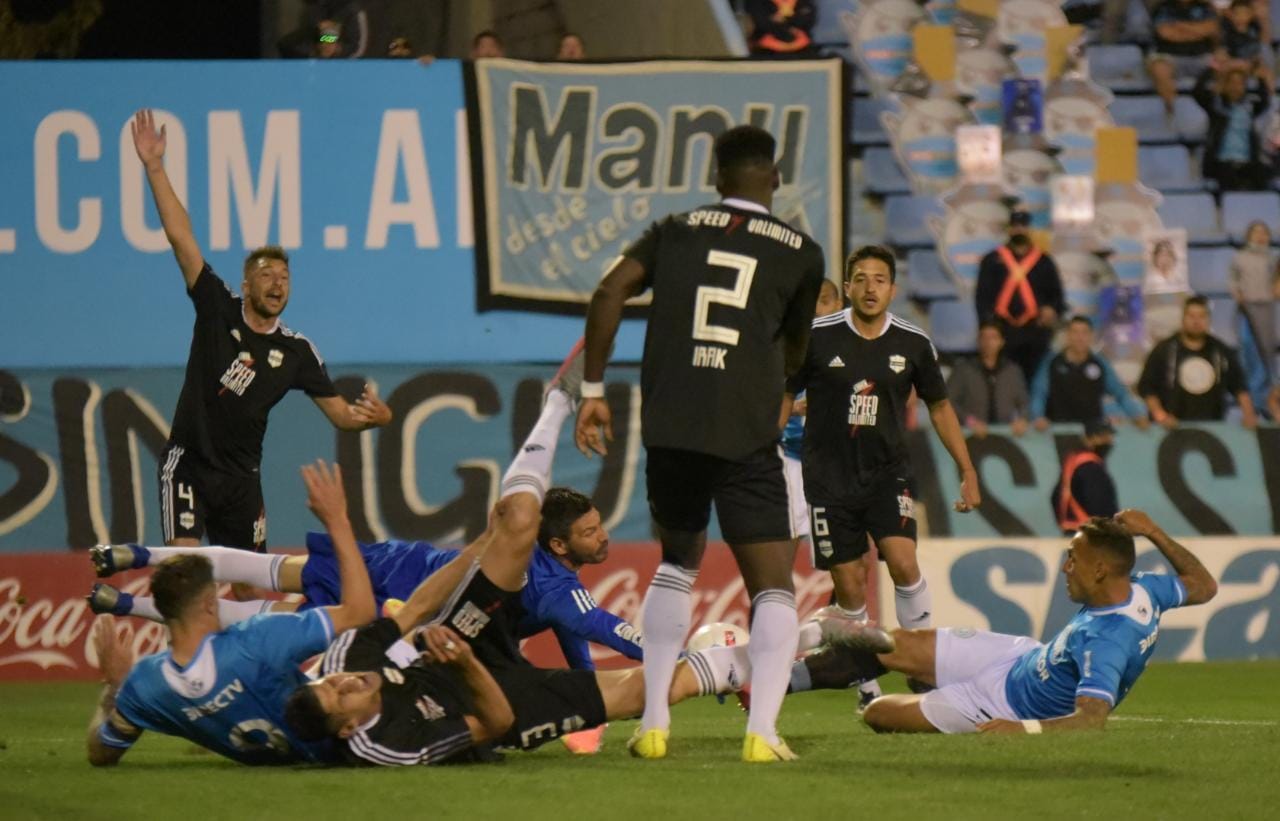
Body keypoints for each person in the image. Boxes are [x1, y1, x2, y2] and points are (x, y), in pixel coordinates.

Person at [574, 124, 827, 762]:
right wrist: (782, 390)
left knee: (676, 563)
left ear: (717, 179)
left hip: (673, 426)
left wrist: (593, 390)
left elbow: (609, 293)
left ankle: (654, 724)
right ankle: (762, 735)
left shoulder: (676, 229)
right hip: (745, 430)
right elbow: (798, 343)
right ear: (773, 179)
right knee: (772, 586)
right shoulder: (801, 249)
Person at [129, 110, 392, 595]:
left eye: (285, 278)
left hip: (241, 481)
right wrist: (154, 167)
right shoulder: (216, 307)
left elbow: (341, 417)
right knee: (188, 583)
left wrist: (378, 418)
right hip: (189, 463)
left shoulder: (296, 352)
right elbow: (181, 238)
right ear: (247, 283)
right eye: (268, 276)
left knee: (250, 592)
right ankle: (189, 669)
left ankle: (244, 670)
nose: (278, 284)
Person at [86, 460, 377, 766]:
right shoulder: (257, 641)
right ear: (211, 602)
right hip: (356, 742)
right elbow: (360, 612)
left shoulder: (146, 685)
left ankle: (132, 577)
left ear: (164, 610)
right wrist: (337, 519)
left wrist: (114, 687)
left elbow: (101, 754)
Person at [784, 245, 981, 681]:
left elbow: (941, 407)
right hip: (828, 480)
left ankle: (922, 668)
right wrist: (764, 449)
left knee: (903, 561)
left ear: (893, 289)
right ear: (848, 286)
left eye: (880, 280)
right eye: (861, 279)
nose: (870, 287)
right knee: (851, 591)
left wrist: (967, 470)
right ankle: (859, 677)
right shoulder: (816, 336)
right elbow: (783, 396)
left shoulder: (913, 342)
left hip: (887, 473)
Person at [856, 511, 1218, 733]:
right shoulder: (1147, 589)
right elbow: (1204, 585)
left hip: (1005, 707)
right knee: (894, 646)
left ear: (1100, 570)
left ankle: (939, 698)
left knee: (876, 712)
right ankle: (818, 641)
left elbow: (1090, 720)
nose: (1065, 568)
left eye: (1073, 558)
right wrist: (1153, 530)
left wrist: (1022, 730)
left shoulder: (1109, 640)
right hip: (1019, 659)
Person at [975, 210, 1067, 384]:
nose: (1019, 230)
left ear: (1029, 229)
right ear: (1009, 230)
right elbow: (982, 298)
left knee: (1034, 381)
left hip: (1035, 332)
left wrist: (1052, 310)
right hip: (1002, 332)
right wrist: (987, 327)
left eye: (1023, 226)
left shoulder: (1044, 261)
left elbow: (1058, 297)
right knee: (1001, 382)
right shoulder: (992, 260)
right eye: (1015, 226)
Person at [1138, 296, 1258, 427]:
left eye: (1202, 316)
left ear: (1209, 320)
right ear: (1183, 319)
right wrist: (1160, 416)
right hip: (1171, 428)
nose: (1196, 321)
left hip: (1213, 428)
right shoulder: (1164, 350)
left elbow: (1240, 387)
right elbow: (1147, 388)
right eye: (1191, 316)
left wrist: (1249, 415)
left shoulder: (1221, 351)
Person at [1030, 315, 1149, 429]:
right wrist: (1038, 417)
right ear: (1068, 335)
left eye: (1084, 333)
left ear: (1091, 336)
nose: (1079, 337)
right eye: (1075, 332)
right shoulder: (1052, 362)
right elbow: (1039, 392)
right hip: (1060, 430)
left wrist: (1136, 414)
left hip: (1093, 434)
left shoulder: (1099, 364)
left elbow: (1120, 393)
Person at [1193, 65, 1273, 191]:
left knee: (1264, 174)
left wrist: (1260, 80)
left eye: (1240, 84)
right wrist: (1211, 70)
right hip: (1221, 163)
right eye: (1231, 83)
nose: (1235, 87)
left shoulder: (1250, 108)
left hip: (1248, 162)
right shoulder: (1216, 107)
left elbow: (1264, 101)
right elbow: (1198, 92)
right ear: (1225, 85)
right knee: (1229, 182)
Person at [946, 321, 1031, 438]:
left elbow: (1024, 402)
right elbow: (948, 402)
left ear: (1001, 342)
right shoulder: (963, 370)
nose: (988, 342)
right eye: (983, 337)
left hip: (1007, 437)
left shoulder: (1012, 371)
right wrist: (970, 422)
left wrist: (1022, 419)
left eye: (993, 338)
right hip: (971, 436)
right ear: (978, 341)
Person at [1230, 221, 1279, 388]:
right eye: (1256, 233)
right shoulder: (1239, 257)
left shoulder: (1273, 258)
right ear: (1248, 236)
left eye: (1264, 233)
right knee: (1247, 347)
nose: (1260, 236)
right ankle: (1249, 390)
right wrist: (1237, 292)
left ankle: (1268, 391)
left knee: (1266, 349)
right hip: (1246, 308)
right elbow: (1233, 279)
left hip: (1266, 307)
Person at [1147, 0, 1219, 113]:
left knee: (1226, 66)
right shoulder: (1163, 8)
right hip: (1170, 56)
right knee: (1159, 69)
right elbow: (1166, 33)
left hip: (1202, 57)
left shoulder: (1206, 7)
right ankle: (1171, 111)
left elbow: (1211, 29)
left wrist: (1181, 26)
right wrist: (1196, 31)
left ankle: (1220, 115)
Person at [1051, 420, 1120, 535]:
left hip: (1072, 528)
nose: (1109, 441)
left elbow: (1055, 496)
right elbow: (1098, 500)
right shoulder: (1090, 465)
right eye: (1104, 437)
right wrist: (1108, 527)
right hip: (1092, 533)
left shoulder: (1073, 460)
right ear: (1090, 438)